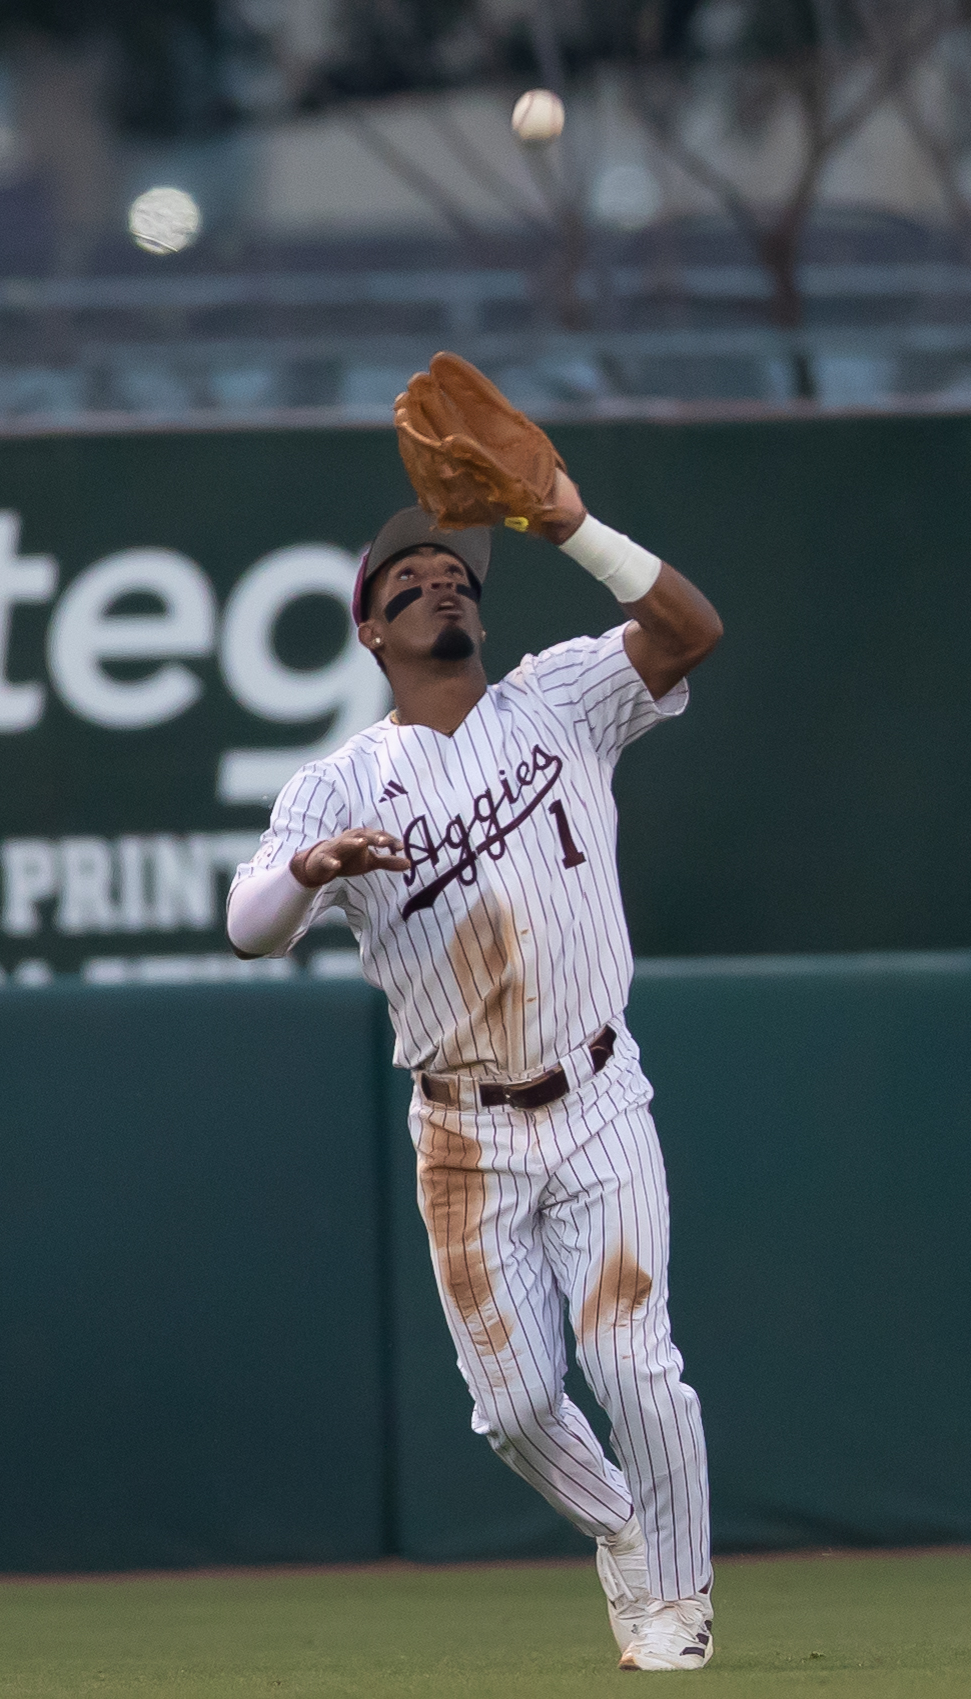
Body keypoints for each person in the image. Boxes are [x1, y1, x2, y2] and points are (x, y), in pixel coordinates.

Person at [226, 460, 722, 1672]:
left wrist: (573, 525)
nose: (442, 586)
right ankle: (618, 1530)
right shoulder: (335, 783)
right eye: (412, 580)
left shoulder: (559, 696)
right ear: (371, 629)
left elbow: (689, 630)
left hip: (597, 1089)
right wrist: (311, 869)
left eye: (456, 577)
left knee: (634, 1366)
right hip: (462, 1132)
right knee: (510, 1411)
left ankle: (679, 1598)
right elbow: (248, 923)